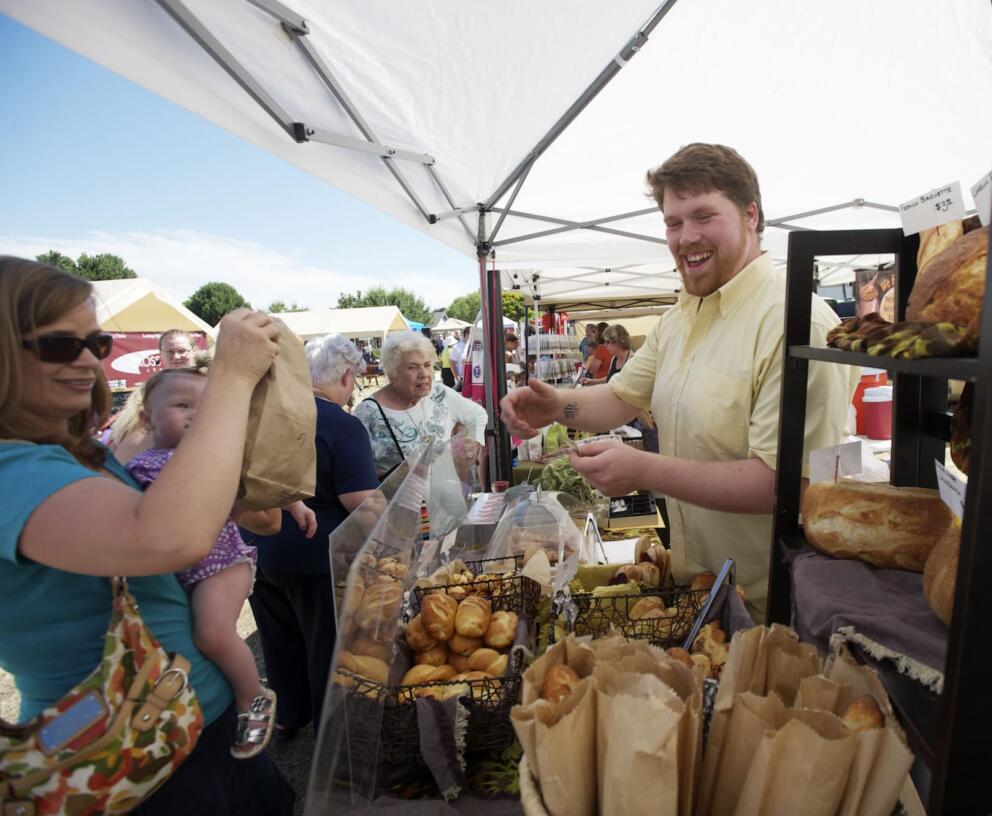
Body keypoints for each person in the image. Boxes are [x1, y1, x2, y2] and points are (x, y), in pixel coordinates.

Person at [500, 144, 851, 619]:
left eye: (704, 216)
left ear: (751, 216)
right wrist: (556, 405)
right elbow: (622, 397)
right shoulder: (682, 316)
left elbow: (787, 482)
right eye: (672, 222)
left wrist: (643, 469)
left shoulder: (796, 322)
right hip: (700, 590)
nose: (685, 237)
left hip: (770, 606)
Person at [0, 256, 294, 813]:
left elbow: (232, 516)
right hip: (123, 748)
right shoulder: (11, 472)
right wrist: (230, 376)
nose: (87, 360)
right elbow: (166, 537)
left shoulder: (75, 453)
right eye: (61, 345)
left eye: (96, 342)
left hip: (192, 719)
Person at [125, 367, 293, 759]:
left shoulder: (215, 458)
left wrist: (296, 504)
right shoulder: (138, 466)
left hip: (222, 562)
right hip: (187, 568)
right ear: (146, 418)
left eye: (204, 408)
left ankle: (253, 699)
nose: (194, 415)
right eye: (182, 405)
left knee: (212, 633)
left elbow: (259, 486)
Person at [247, 333, 379, 739]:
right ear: (345, 376)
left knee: (278, 640)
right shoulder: (344, 424)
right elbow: (360, 501)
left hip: (258, 545)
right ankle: (331, 736)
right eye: (354, 378)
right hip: (315, 552)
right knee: (325, 643)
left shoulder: (272, 416)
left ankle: (289, 713)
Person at [353, 330, 487, 479]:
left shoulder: (439, 393)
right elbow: (358, 476)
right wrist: (396, 476)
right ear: (392, 373)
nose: (424, 373)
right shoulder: (367, 413)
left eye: (427, 365)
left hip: (446, 498)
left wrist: (471, 441)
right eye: (412, 367)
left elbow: (478, 415)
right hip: (400, 501)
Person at [108, 328, 201, 463]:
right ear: (161, 354)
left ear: (194, 351)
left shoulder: (209, 384)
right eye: (170, 352)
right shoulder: (147, 389)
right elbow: (123, 430)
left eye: (181, 351)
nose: (176, 357)